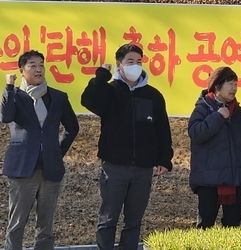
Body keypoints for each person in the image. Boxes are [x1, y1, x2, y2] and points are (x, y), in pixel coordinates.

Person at [81, 44, 174, 250]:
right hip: (115, 166)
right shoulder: (110, 90)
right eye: (130, 62)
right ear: (119, 65)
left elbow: (162, 129)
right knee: (108, 219)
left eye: (139, 62)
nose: (135, 66)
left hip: (143, 168)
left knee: (133, 222)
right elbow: (88, 100)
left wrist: (164, 158)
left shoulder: (153, 95)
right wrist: (101, 77)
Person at [1, 50, 79, 250]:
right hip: (23, 168)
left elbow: (72, 127)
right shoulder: (15, 96)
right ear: (22, 70)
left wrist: (56, 151)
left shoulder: (58, 97)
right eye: (32, 65)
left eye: (41, 65)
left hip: (50, 169)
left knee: (45, 225)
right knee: (17, 223)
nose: (38, 69)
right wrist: (9, 87)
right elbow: (6, 117)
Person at [188, 66, 241, 229]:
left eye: (236, 84)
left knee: (232, 225)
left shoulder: (237, 112)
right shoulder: (203, 107)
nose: (234, 88)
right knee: (205, 225)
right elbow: (195, 133)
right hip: (208, 181)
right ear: (217, 86)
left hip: (234, 178)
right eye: (230, 84)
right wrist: (217, 117)